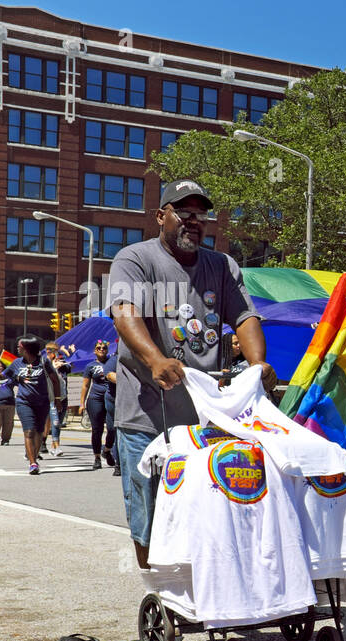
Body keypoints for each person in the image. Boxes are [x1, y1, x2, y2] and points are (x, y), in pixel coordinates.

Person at [108, 179, 277, 568]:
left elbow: (245, 316)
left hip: (208, 417)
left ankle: (214, 581)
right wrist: (155, 361)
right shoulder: (136, 260)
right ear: (161, 216)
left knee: (213, 506)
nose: (194, 221)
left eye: (201, 214)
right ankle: (161, 589)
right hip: (147, 416)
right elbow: (124, 312)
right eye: (184, 212)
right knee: (149, 509)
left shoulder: (222, 265)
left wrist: (257, 366)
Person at [5, 336, 62, 475]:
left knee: (39, 432)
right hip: (24, 402)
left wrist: (57, 399)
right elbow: (5, 375)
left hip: (42, 403)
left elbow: (55, 381)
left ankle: (34, 457)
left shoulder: (43, 362)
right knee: (29, 431)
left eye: (19, 346)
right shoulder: (17, 363)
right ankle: (33, 463)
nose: (17, 348)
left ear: (26, 348)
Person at [79, 341, 117, 471]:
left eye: (104, 348)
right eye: (98, 348)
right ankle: (97, 457)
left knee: (112, 428)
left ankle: (106, 450)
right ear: (94, 350)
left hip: (111, 398)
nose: (101, 349)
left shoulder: (112, 362)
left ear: (107, 350)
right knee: (97, 430)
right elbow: (85, 385)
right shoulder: (91, 366)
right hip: (95, 399)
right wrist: (81, 403)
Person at [43, 343, 72, 457]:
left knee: (58, 423)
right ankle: (57, 447)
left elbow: (71, 367)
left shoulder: (62, 362)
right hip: (52, 397)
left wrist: (64, 360)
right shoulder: (44, 363)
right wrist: (53, 369)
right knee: (54, 422)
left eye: (54, 351)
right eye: (49, 351)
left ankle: (54, 447)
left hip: (63, 397)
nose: (52, 353)